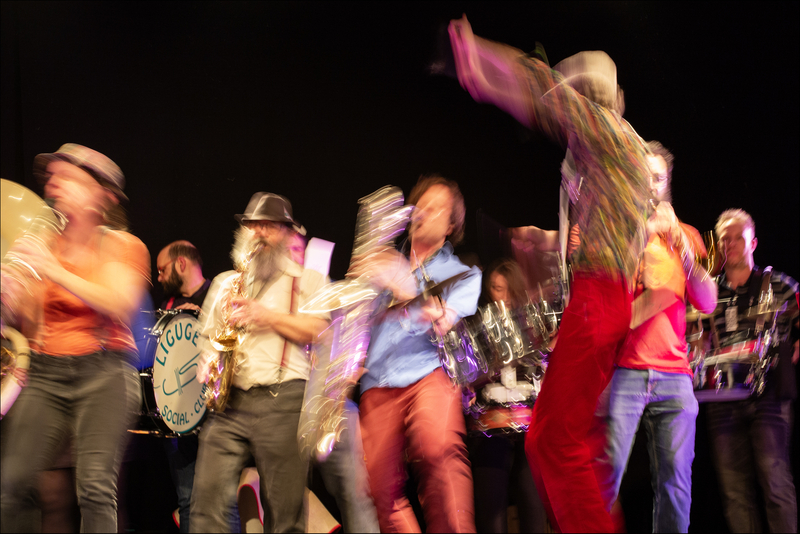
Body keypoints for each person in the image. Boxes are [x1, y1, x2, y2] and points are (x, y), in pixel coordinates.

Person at [448, 17, 657, 532]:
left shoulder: (605, 130)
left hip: (599, 298)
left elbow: (539, 88)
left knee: (555, 441)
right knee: (561, 439)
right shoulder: (619, 152)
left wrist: (479, 59)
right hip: (602, 299)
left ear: (588, 97)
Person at [0, 143, 150, 532]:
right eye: (53, 177)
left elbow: (118, 303)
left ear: (103, 195)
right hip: (45, 373)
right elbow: (23, 318)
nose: (53, 184)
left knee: (95, 489)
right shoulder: (39, 245)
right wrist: (8, 297)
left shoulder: (123, 245)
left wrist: (52, 268)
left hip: (104, 372)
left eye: (67, 177)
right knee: (10, 486)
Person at [590, 142, 717, 532]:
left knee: (676, 485)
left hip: (674, 375)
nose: (650, 184)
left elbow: (708, 301)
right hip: (623, 370)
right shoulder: (617, 234)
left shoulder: (686, 235)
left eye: (657, 177)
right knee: (603, 479)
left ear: (667, 183)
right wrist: (641, 231)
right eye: (643, 177)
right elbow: (602, 303)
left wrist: (685, 254)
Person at [189, 192, 329, 533]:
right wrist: (207, 361)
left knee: (285, 515)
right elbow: (207, 337)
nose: (260, 233)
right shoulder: (225, 282)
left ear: (287, 233)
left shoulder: (309, 280)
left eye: (270, 226)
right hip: (230, 403)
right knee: (205, 502)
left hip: (284, 400)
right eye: (253, 225)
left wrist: (269, 317)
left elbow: (321, 331)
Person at [353, 174, 481, 533]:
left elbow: (445, 326)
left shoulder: (462, 274)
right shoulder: (384, 262)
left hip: (429, 374)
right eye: (419, 205)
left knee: (438, 452)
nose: (422, 212)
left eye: (435, 208)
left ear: (451, 226)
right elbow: (356, 322)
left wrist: (405, 288)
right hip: (378, 381)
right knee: (377, 490)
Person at [704, 208, 798, 533]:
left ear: (753, 243)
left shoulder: (780, 285)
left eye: (738, 238)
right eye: (724, 239)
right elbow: (695, 338)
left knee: (775, 482)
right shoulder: (707, 292)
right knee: (734, 492)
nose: (730, 244)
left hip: (769, 396)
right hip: (722, 400)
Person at [467, 258, 548, 533]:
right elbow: (468, 376)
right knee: (491, 511)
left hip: (529, 427)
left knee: (533, 505)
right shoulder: (478, 326)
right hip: (490, 426)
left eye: (506, 289)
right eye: (495, 288)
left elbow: (547, 369)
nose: (501, 296)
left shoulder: (534, 324)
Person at [155, 240, 211, 533]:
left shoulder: (218, 295)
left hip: (215, 418)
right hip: (179, 420)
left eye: (162, 270)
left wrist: (203, 315)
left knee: (220, 499)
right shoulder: (167, 308)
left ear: (180, 264)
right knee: (187, 500)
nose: (159, 278)